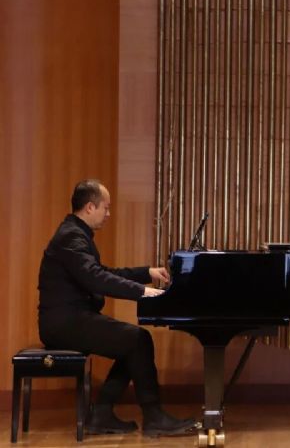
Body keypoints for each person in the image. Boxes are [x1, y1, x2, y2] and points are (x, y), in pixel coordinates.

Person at [37, 179, 196, 436]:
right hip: (63, 323)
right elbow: (95, 278)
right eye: (106, 207)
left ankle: (102, 414)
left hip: (71, 319)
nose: (109, 214)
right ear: (90, 207)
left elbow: (102, 273)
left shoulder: (75, 233)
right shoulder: (71, 236)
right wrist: (142, 291)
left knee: (132, 343)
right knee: (138, 340)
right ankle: (152, 417)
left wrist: (146, 273)